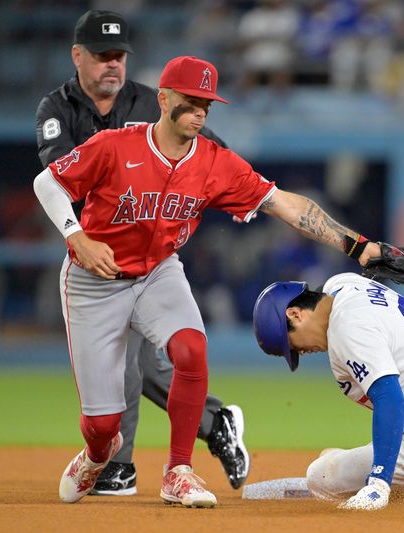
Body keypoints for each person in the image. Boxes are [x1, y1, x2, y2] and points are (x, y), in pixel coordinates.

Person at [33, 53, 393, 506]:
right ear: (163, 100)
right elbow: (47, 184)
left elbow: (285, 204)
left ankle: (178, 471)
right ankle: (95, 455)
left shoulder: (214, 163)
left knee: (191, 349)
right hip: (94, 279)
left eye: (207, 102)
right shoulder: (114, 145)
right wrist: (77, 236)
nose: (200, 110)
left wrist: (359, 246)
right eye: (190, 100)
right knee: (104, 427)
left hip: (158, 270)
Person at [34, 10, 248, 495]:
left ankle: (124, 464)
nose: (113, 65)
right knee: (141, 370)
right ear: (78, 56)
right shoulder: (57, 108)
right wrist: (81, 234)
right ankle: (204, 425)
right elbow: (63, 180)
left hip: (149, 252)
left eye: (120, 56)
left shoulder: (149, 99)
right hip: (92, 244)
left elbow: (208, 153)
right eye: (103, 55)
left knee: (158, 361)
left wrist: (219, 187)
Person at [251, 272, 404, 511]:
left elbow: (390, 399)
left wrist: (379, 483)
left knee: (320, 476)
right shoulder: (344, 285)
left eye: (292, 345)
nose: (300, 353)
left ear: (295, 314)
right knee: (340, 456)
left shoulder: (347, 329)